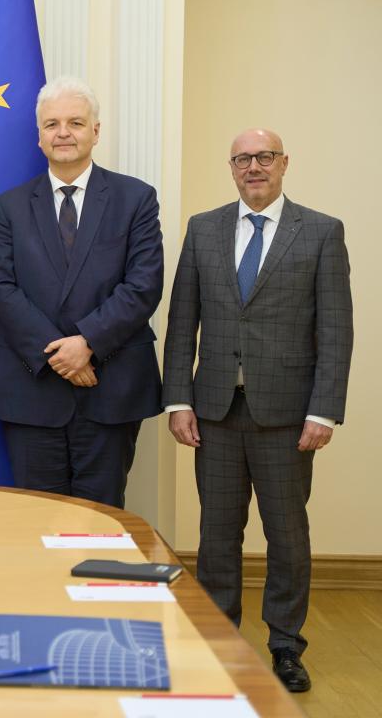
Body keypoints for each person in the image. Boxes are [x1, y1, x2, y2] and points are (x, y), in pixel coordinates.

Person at [163, 128, 352, 693]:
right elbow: (181, 323)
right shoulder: (203, 229)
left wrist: (324, 411)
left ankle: (286, 646)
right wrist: (178, 399)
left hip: (288, 416)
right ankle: (219, 641)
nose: (254, 167)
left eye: (264, 157)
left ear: (284, 163)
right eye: (242, 158)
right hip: (215, 411)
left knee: (286, 535)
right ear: (231, 167)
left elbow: (336, 330)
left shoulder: (320, 231)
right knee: (217, 533)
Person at [0, 76, 163, 508]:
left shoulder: (135, 198)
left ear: (95, 131)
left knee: (100, 520)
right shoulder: (9, 206)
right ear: (39, 137)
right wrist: (59, 355)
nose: (63, 133)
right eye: (52, 124)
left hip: (110, 386)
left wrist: (87, 344)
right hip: (32, 389)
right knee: (37, 518)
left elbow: (143, 284)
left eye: (76, 123)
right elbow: (0, 286)